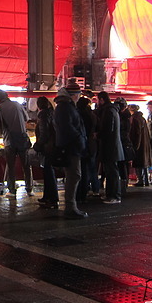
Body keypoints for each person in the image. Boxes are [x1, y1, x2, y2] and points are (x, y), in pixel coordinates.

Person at [53, 82, 88, 218]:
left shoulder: (65, 107)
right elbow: (67, 128)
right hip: (71, 146)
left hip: (72, 145)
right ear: (74, 95)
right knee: (74, 175)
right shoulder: (65, 108)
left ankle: (71, 206)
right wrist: (80, 139)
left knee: (74, 175)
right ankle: (70, 207)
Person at [0, 90, 33, 196]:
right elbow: (26, 120)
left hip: (9, 140)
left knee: (11, 166)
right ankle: (29, 189)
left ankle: (12, 190)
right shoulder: (17, 104)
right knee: (26, 165)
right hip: (22, 139)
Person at [96, 91, 124, 204]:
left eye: (98, 100)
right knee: (110, 171)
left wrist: (98, 135)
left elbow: (108, 128)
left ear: (102, 99)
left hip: (110, 147)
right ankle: (110, 195)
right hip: (112, 146)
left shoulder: (109, 111)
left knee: (112, 172)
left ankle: (114, 196)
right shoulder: (112, 110)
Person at [33, 96, 58, 207]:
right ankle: (48, 196)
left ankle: (51, 197)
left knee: (48, 172)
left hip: (48, 147)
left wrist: (38, 145)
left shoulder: (43, 115)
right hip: (53, 146)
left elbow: (44, 133)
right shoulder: (52, 113)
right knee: (49, 172)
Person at [76, 96, 99, 200]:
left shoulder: (80, 115)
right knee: (93, 168)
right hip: (92, 144)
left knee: (83, 169)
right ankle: (95, 189)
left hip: (84, 144)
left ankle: (82, 192)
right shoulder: (92, 115)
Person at [129, 104, 152, 186]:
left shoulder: (135, 119)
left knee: (139, 163)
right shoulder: (142, 118)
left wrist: (135, 146)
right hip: (145, 144)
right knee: (144, 164)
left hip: (139, 145)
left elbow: (137, 134)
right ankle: (146, 180)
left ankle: (140, 180)